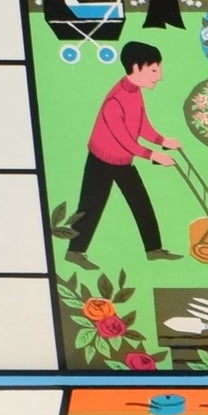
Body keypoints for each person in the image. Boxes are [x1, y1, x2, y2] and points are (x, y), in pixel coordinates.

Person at [62, 42, 181, 261]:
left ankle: (153, 250)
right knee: (90, 206)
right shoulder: (115, 101)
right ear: (136, 68)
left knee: (140, 202)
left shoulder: (135, 91)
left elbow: (141, 124)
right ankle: (74, 252)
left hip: (122, 160)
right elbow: (125, 140)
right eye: (154, 70)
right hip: (101, 161)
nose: (159, 76)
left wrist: (162, 140)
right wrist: (154, 155)